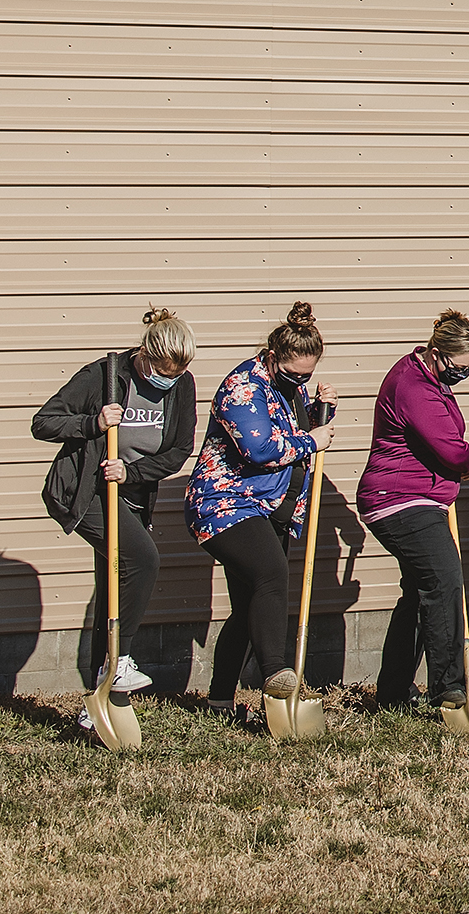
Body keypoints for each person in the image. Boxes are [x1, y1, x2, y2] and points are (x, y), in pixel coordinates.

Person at [33, 308, 198, 730]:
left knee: (112, 586)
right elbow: (44, 422)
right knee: (143, 560)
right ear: (144, 354)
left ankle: (96, 705)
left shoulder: (181, 384)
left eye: (176, 373)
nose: (168, 380)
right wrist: (93, 422)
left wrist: (133, 473)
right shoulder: (105, 375)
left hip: (132, 494)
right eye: (161, 371)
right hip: (86, 491)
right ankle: (118, 661)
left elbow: (178, 450)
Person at [185, 302, 337, 718]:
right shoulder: (242, 388)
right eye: (292, 374)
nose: (299, 381)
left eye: (306, 376)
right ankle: (276, 673)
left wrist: (322, 412)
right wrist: (314, 441)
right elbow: (261, 448)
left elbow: (299, 432)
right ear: (271, 358)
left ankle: (219, 701)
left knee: (251, 604)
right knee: (272, 573)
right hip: (225, 504)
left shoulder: (290, 387)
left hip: (271, 506)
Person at [357, 310, 469, 711]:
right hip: (399, 499)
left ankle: (394, 691)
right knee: (444, 582)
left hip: (420, 497)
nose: (464, 374)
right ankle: (448, 688)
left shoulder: (429, 378)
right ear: (436, 353)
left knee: (418, 593)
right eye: (459, 367)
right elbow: (450, 448)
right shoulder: (415, 385)